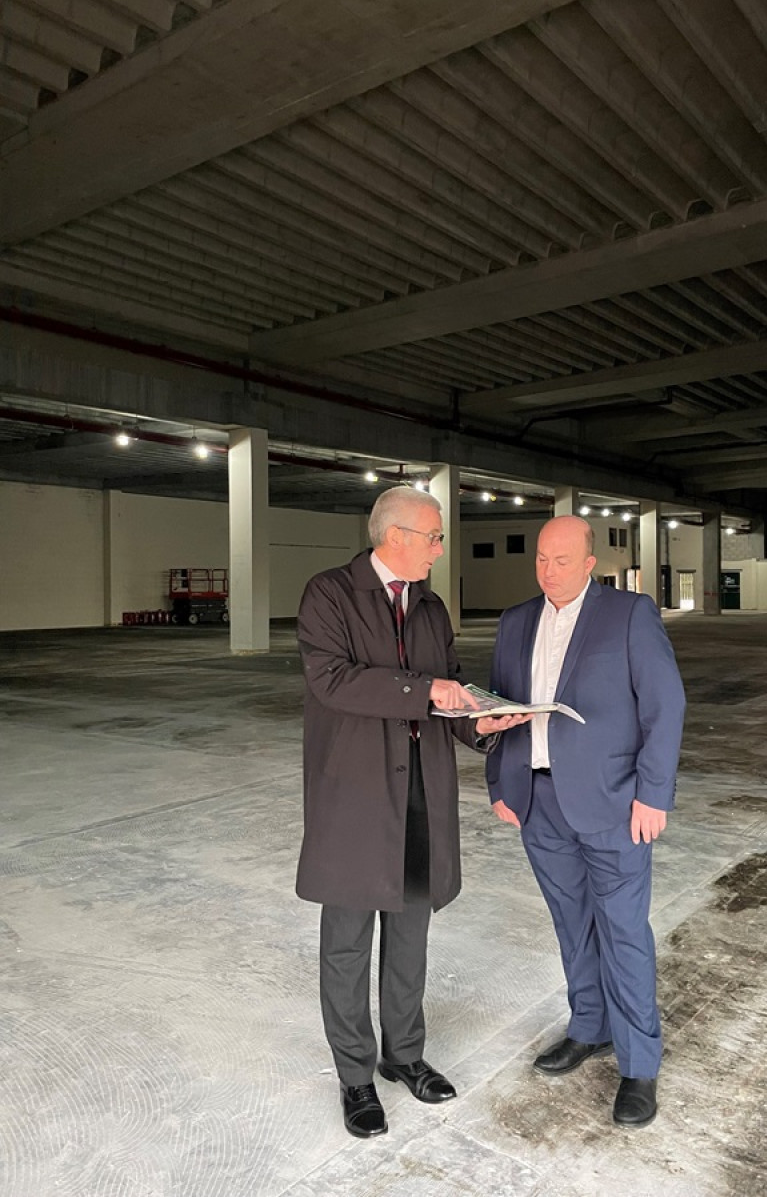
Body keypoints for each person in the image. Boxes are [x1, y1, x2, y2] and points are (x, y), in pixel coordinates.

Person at [296, 485, 525, 1139]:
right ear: (395, 535)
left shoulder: (429, 606)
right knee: (346, 943)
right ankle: (355, 1076)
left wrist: (483, 723)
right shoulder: (329, 594)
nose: (440, 547)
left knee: (411, 935)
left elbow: (448, 691)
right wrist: (428, 690)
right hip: (356, 792)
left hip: (422, 788)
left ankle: (405, 1055)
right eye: (433, 536)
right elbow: (334, 680)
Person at [486, 515, 685, 1128]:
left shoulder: (628, 615)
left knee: (623, 932)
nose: (549, 571)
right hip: (539, 804)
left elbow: (664, 704)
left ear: (590, 562)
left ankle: (639, 1065)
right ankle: (590, 1026)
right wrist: (500, 781)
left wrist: (654, 794)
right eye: (542, 559)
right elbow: (498, 708)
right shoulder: (517, 621)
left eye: (562, 561)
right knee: (572, 925)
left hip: (615, 804)